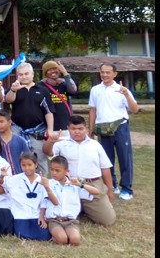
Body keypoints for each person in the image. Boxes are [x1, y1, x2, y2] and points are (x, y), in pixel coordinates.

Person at [44, 115, 116, 225]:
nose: (77, 132)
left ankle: (85, 207)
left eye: (80, 129)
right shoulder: (61, 143)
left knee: (107, 220)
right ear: (68, 129)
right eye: (73, 129)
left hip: (91, 185)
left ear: (86, 129)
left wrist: (110, 190)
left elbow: (105, 168)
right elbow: (47, 152)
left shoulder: (96, 145)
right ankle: (80, 208)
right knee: (57, 215)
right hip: (68, 185)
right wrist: (50, 142)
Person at [88, 64, 139, 201]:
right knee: (106, 160)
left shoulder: (121, 89)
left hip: (120, 127)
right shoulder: (95, 90)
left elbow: (134, 109)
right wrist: (90, 130)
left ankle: (127, 189)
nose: (105, 75)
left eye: (108, 72)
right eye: (102, 72)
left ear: (115, 74)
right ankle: (113, 185)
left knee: (125, 158)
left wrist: (127, 94)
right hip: (103, 128)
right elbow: (93, 110)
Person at [5, 62, 54, 175]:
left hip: (37, 131)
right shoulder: (14, 88)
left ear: (32, 74)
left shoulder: (42, 90)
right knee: (16, 157)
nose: (24, 76)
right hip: (17, 129)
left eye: (26, 73)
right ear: (17, 76)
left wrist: (50, 129)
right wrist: (13, 90)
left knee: (40, 158)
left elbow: (49, 111)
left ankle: (42, 183)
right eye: (21, 74)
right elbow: (8, 100)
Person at [0, 152, 55, 241]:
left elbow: (45, 201)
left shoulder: (42, 181)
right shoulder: (16, 179)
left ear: (36, 165)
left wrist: (42, 216)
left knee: (44, 237)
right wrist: (2, 176)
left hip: (37, 215)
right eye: (23, 165)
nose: (27, 168)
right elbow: (2, 182)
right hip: (21, 215)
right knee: (22, 235)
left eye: (30, 165)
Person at [44, 156, 100, 246]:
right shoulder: (49, 184)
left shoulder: (74, 186)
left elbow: (96, 192)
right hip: (54, 220)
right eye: (51, 169)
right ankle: (55, 236)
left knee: (75, 241)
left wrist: (80, 184)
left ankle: (61, 234)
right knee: (62, 240)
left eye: (57, 170)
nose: (54, 173)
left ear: (67, 171)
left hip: (70, 221)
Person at [39, 61, 77, 132]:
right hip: (49, 127)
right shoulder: (41, 86)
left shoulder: (64, 83)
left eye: (55, 69)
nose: (53, 71)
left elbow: (73, 90)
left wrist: (65, 73)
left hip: (66, 125)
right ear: (46, 73)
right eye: (49, 70)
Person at [0, 110, 30, 176]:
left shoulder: (20, 140)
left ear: (9, 122)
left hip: (19, 176)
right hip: (1, 177)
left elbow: (28, 158)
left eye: (1, 122)